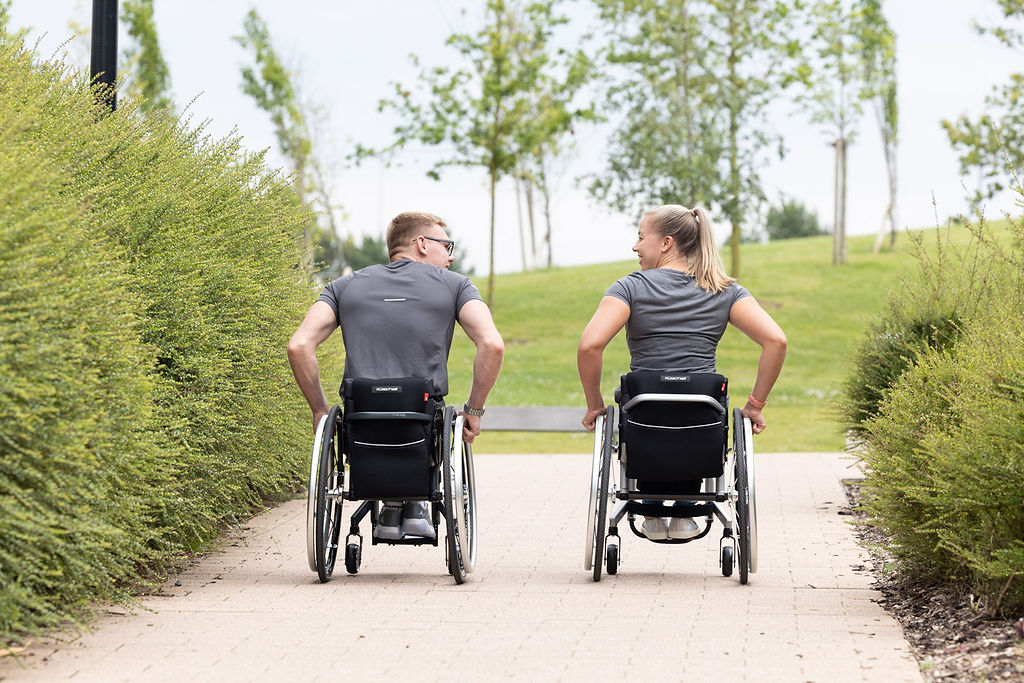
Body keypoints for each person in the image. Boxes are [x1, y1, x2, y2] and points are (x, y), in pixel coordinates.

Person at [288, 211, 504, 541]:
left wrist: (320, 411)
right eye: (446, 245)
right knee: (427, 410)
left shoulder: (344, 286)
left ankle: (391, 505)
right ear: (421, 244)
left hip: (360, 420)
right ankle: (412, 504)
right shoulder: (457, 285)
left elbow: (299, 345)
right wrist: (473, 411)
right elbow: (491, 344)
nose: (452, 255)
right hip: (422, 417)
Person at [577, 204, 786, 541]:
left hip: (644, 419)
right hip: (702, 420)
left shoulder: (630, 287)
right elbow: (776, 340)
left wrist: (593, 404)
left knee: (638, 404)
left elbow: (589, 346)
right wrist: (755, 405)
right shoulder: (724, 291)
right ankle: (689, 510)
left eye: (641, 237)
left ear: (666, 243)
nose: (635, 246)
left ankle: (651, 510)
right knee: (698, 411)